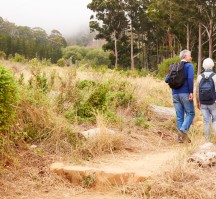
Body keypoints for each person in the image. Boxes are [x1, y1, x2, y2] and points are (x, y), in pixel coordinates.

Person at [165, 49, 195, 143]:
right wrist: (191, 92)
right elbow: (190, 79)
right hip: (185, 93)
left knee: (179, 116)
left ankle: (180, 138)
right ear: (185, 56)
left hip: (175, 94)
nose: (191, 57)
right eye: (190, 55)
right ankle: (183, 130)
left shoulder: (174, 66)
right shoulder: (189, 66)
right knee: (191, 113)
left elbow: (166, 79)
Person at [196, 58, 216, 142]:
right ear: (212, 65)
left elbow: (197, 91)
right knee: (215, 119)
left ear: (203, 66)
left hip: (203, 102)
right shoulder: (215, 76)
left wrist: (197, 102)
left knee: (206, 121)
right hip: (213, 102)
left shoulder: (200, 77)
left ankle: (206, 141)